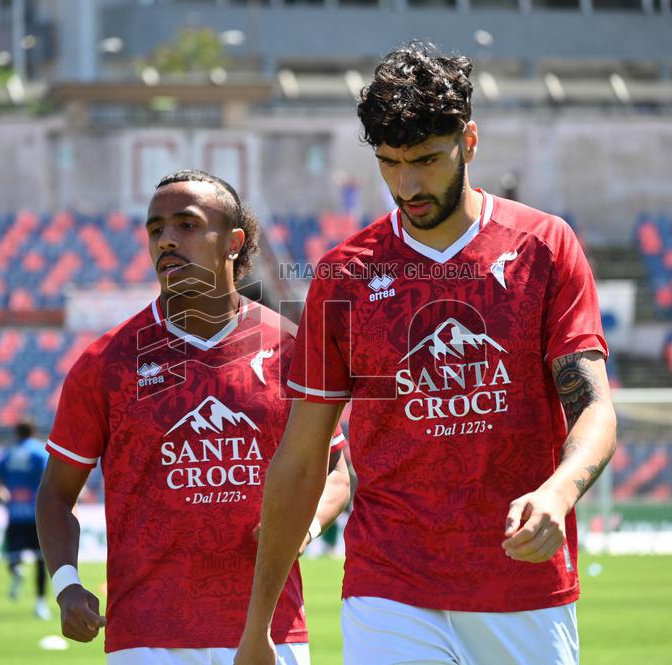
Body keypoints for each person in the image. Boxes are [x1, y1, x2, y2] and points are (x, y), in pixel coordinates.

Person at [236, 42, 617, 665]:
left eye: (427, 160)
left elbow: (595, 410)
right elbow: (301, 458)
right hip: (388, 586)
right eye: (389, 163)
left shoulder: (544, 246)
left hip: (521, 583)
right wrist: (259, 627)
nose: (407, 185)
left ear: (468, 142)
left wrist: (558, 492)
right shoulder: (342, 277)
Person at [36, 170, 350, 664]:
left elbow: (338, 468)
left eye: (187, 224)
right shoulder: (106, 363)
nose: (166, 240)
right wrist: (67, 584)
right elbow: (56, 493)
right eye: (156, 229)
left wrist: (304, 526)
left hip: (270, 632)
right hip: (146, 636)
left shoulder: (293, 348)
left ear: (233, 242)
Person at [0, 420, 51, 620]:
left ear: (16, 433)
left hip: (15, 514)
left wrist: (5, 499)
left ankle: (16, 570)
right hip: (36, 514)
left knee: (12, 555)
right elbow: (49, 477)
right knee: (41, 561)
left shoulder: (7, 454)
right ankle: (41, 604)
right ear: (33, 431)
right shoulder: (39, 452)